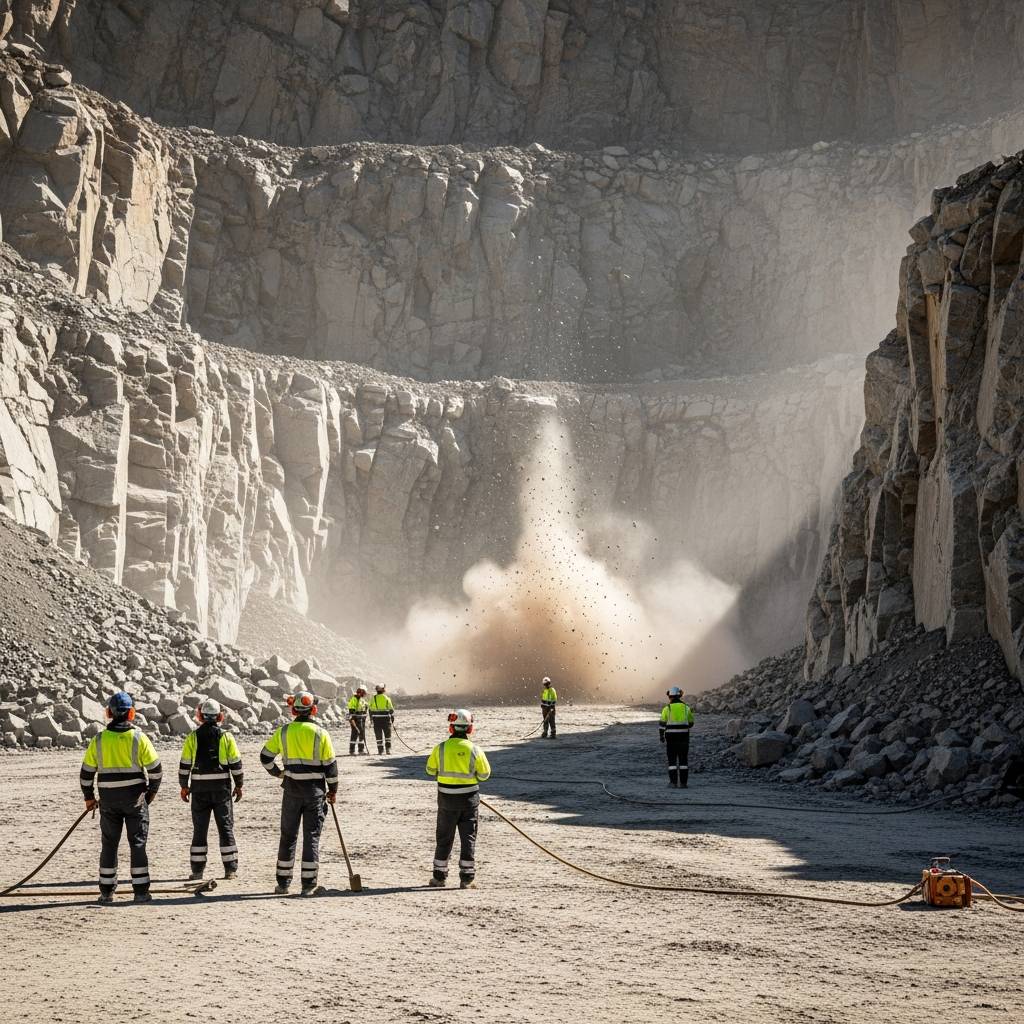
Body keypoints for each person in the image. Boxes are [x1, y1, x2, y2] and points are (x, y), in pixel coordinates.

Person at [79, 691, 163, 903]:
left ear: (109, 713)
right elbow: (156, 770)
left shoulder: (98, 740)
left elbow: (86, 774)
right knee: (137, 844)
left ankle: (106, 892)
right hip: (135, 801)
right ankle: (141, 892)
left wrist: (89, 798)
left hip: (108, 802)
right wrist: (150, 794)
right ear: (132, 713)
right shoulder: (139, 738)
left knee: (109, 845)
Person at [260, 690, 338, 895]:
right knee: (311, 836)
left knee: (288, 836)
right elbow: (331, 768)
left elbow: (265, 757)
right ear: (314, 710)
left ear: (293, 711)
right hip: (314, 793)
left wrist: (278, 773)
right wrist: (333, 791)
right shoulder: (321, 733)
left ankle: (283, 884)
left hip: (291, 791)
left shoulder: (284, 732)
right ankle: (308, 885)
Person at [425, 709, 491, 889]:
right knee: (468, 838)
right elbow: (484, 775)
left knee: (444, 838)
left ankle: (439, 877)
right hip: (469, 801)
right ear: (470, 729)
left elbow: (430, 771)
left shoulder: (440, 748)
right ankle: (467, 879)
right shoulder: (475, 749)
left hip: (446, 801)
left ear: (451, 728)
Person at [178, 699, 244, 880]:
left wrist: (184, 786)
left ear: (200, 716)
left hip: (199, 791)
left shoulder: (193, 737)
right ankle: (230, 870)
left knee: (199, 831)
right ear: (219, 716)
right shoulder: (226, 737)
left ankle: (197, 871)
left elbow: (184, 765)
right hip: (221, 790)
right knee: (225, 828)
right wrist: (239, 785)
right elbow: (236, 764)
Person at [659, 686, 695, 788]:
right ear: (679, 696)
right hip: (684, 738)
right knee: (683, 760)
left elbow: (662, 724)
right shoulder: (686, 708)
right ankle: (683, 783)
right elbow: (691, 723)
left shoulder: (667, 708)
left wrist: (661, 736)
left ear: (670, 696)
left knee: (672, 760)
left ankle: (673, 783)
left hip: (671, 739)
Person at [368, 684, 395, 755]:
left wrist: (371, 719)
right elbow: (391, 710)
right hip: (386, 720)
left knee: (378, 736)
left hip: (376, 720)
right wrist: (392, 720)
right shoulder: (387, 698)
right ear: (383, 690)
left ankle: (380, 751)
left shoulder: (373, 698)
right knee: (387, 736)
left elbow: (370, 710)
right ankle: (388, 750)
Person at [347, 686, 369, 755]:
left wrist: (365, 709)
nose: (364, 694)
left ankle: (361, 750)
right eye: (364, 693)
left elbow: (364, 708)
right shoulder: (353, 699)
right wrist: (353, 721)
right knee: (354, 734)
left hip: (361, 720)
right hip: (355, 720)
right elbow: (351, 711)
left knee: (362, 734)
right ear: (361, 692)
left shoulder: (362, 700)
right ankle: (352, 751)